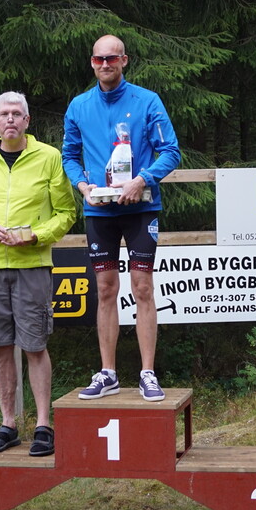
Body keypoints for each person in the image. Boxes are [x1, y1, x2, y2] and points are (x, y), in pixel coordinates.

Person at [0, 91, 77, 456]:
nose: (10, 119)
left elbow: (67, 213)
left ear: (27, 121)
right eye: (4, 114)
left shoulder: (49, 157)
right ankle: (8, 424)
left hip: (32, 264)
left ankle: (43, 425)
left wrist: (37, 235)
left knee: (35, 345)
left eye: (16, 114)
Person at [62, 34, 181, 401]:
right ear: (91, 62)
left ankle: (148, 373)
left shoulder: (147, 101)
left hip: (140, 207)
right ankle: (108, 373)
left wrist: (142, 179)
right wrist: (82, 186)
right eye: (99, 59)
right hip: (99, 209)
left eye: (112, 58)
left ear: (124, 61)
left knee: (142, 287)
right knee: (105, 289)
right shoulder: (79, 106)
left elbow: (171, 151)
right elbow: (69, 155)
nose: (105, 65)